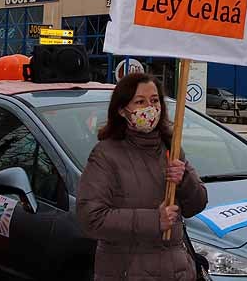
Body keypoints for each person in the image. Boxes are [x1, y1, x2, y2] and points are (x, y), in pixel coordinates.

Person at [77, 73, 208, 281]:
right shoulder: (106, 154)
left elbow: (197, 205)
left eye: (154, 101)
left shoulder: (171, 149)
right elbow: (91, 218)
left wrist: (184, 181)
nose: (150, 108)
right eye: (140, 101)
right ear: (122, 110)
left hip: (178, 272)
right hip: (128, 272)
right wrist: (154, 220)